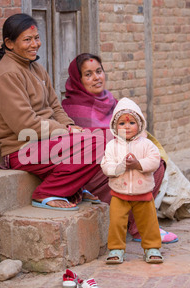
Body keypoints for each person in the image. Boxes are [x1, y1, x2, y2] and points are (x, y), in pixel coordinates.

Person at [0, 13, 105, 211]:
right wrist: (65, 132)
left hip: (44, 141)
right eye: (27, 40)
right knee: (95, 144)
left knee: (99, 139)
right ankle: (48, 192)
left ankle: (73, 187)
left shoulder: (37, 68)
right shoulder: (7, 75)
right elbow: (24, 124)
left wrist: (69, 126)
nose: (35, 44)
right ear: (9, 43)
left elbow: (55, 106)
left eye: (36, 38)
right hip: (21, 149)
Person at [62, 53, 178, 243]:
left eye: (99, 71)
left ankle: (140, 224)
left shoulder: (111, 101)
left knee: (153, 163)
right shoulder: (72, 108)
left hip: (123, 161)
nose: (96, 78)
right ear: (78, 79)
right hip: (94, 174)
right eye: (88, 74)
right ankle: (141, 227)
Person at [101, 97, 163, 264]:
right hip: (119, 193)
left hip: (143, 193)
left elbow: (154, 161)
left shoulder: (147, 145)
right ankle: (116, 249)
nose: (126, 126)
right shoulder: (111, 147)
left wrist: (138, 164)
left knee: (148, 222)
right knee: (116, 223)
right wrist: (120, 167)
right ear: (115, 127)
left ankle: (152, 248)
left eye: (131, 123)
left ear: (139, 125)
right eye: (121, 123)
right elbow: (106, 166)